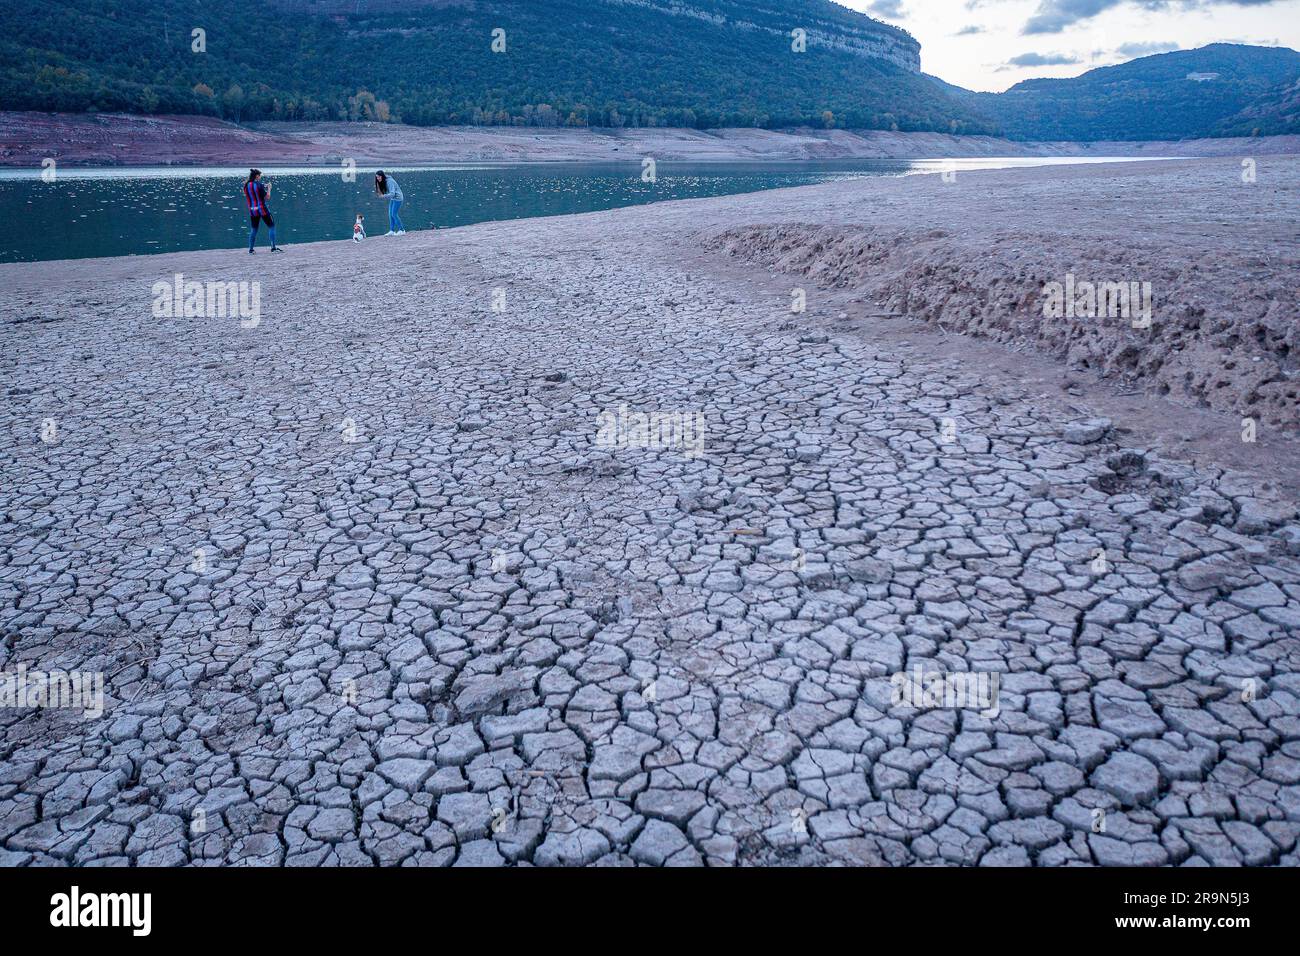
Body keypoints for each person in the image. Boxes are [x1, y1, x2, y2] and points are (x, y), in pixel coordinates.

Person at [243, 169, 282, 254]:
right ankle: (273, 248)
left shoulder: (246, 185)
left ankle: (251, 250)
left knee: (254, 229)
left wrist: (264, 185)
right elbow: (267, 197)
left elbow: (256, 188)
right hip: (262, 209)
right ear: (257, 176)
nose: (260, 177)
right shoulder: (258, 185)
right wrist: (269, 188)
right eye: (260, 175)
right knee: (271, 226)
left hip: (252, 210)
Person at [375, 171, 406, 236]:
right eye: (377, 177)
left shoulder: (389, 181)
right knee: (390, 214)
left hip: (398, 198)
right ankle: (392, 231)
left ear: (382, 176)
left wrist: (383, 196)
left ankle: (402, 230)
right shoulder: (384, 181)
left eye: (379, 177)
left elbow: (392, 193)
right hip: (393, 198)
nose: (378, 178)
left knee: (394, 214)